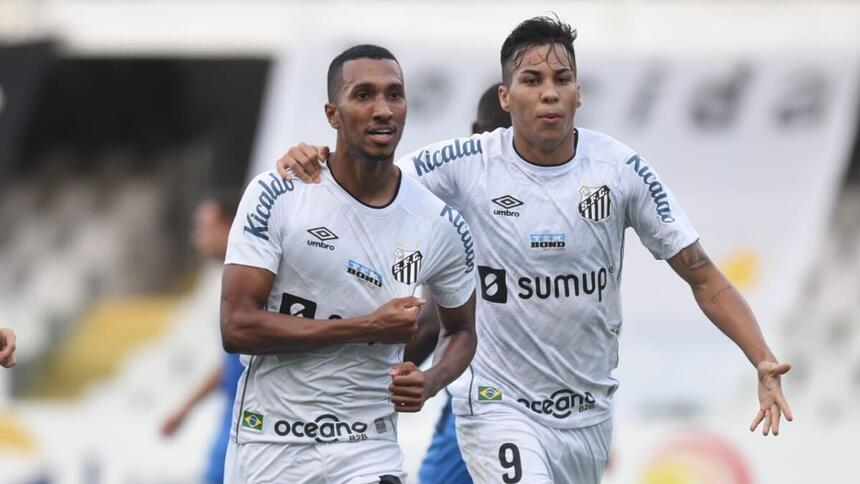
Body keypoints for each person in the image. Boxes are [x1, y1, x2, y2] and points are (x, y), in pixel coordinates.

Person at [276, 16, 793, 484]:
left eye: (561, 80)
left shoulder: (619, 170)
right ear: (505, 97)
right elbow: (366, 182)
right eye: (532, 80)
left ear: (579, 94)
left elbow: (702, 275)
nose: (549, 93)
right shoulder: (464, 163)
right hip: (497, 404)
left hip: (588, 416)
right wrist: (314, 159)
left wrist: (762, 358)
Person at [220, 44, 477, 484]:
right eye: (363, 95)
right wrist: (365, 328)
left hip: (367, 449)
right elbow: (237, 327)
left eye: (394, 95)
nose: (383, 109)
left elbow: (463, 329)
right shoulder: (277, 194)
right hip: (270, 445)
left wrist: (431, 380)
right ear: (332, 114)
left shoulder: (439, 223)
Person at [409, 83, 510, 484]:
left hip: (480, 406)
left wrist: (363, 385)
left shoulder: (455, 216)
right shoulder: (561, 215)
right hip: (558, 409)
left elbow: (432, 324)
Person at [160, 194, 242, 484]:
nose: (198, 239)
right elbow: (232, 360)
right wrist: (186, 408)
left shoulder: (264, 282)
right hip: (230, 421)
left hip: (257, 427)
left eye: (204, 226)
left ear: (231, 224)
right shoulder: (226, 283)